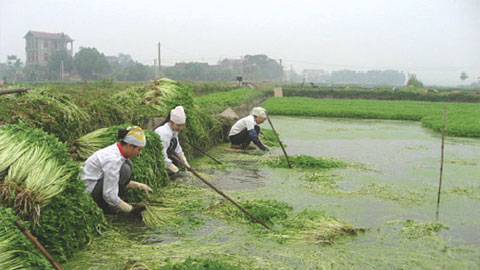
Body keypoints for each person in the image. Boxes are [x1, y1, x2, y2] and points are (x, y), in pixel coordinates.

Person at [80, 126, 152, 214]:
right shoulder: (113, 160)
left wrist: (138, 186)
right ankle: (104, 206)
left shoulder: (118, 151)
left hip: (98, 182)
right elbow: (108, 194)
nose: (139, 153)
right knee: (125, 169)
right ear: (130, 146)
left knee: (128, 165)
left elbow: (114, 179)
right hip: (89, 191)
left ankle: (114, 201)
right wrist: (130, 209)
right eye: (139, 150)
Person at [155, 106, 190, 178]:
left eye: (182, 125)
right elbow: (162, 154)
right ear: (171, 122)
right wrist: (173, 168)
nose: (180, 128)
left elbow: (177, 146)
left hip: (168, 154)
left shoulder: (174, 130)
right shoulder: (164, 133)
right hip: (158, 158)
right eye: (178, 125)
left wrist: (183, 159)